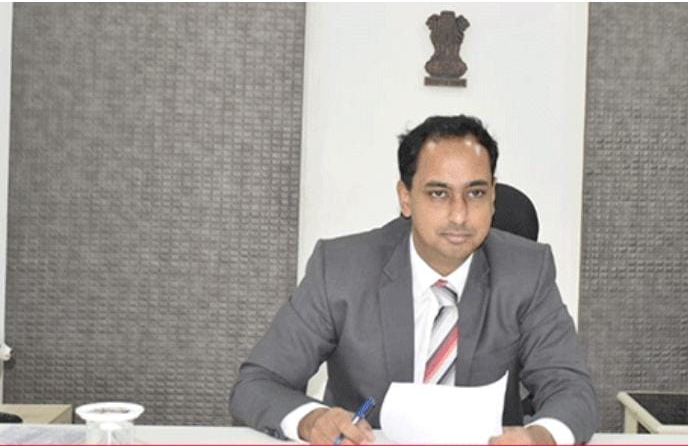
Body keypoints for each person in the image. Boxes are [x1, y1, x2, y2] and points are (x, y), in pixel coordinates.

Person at [229, 115, 598, 444]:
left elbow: (572, 391)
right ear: (405, 198)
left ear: (493, 197)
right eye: (439, 193)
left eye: (475, 193)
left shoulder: (527, 272)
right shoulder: (340, 269)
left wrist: (540, 437)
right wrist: (311, 421)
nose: (459, 215)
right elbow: (257, 383)